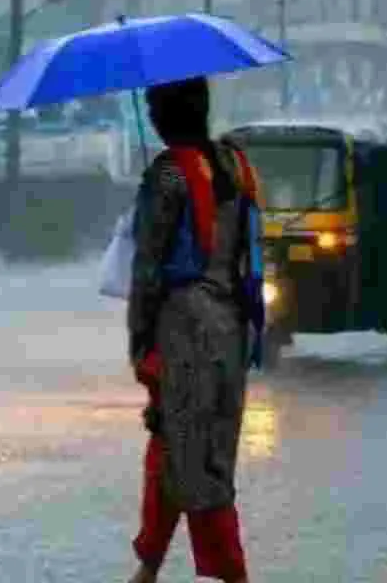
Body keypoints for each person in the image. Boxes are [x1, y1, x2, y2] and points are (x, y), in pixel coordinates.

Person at [126, 76, 264, 583]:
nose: (151, 113)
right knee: (176, 443)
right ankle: (148, 566)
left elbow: (146, 268)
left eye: (153, 104)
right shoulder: (234, 163)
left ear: (166, 114)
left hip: (184, 330)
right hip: (232, 327)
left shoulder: (168, 175)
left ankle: (233, 575)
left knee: (197, 460)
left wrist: (140, 341)